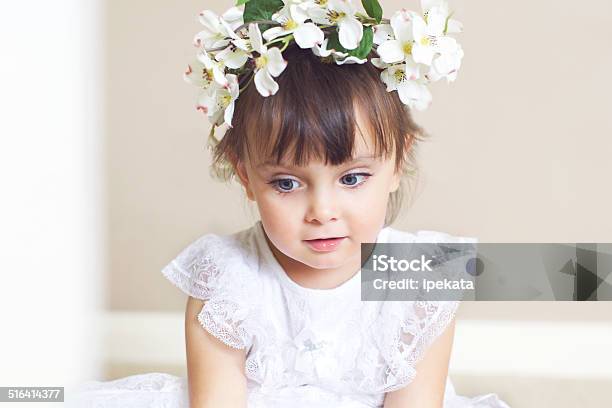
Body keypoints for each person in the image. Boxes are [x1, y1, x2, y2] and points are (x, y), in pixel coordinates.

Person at [69, 1, 512, 407]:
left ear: (398, 162)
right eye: (286, 183)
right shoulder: (227, 280)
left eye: (352, 178)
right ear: (245, 175)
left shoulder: (418, 278)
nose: (322, 210)